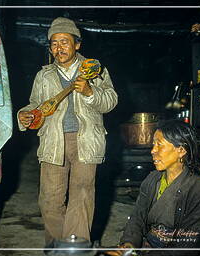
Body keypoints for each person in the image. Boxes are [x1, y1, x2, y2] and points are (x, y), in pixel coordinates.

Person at [17, 17, 118, 247]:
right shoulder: (44, 75)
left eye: (64, 42)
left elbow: (111, 101)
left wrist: (90, 91)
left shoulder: (94, 70)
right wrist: (25, 115)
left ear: (77, 44)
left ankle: (76, 248)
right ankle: (56, 247)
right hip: (53, 141)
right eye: (53, 43)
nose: (58, 48)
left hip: (86, 141)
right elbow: (35, 104)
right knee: (49, 201)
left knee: (81, 198)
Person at [106, 119, 200, 256]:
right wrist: (129, 245)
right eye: (153, 145)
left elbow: (187, 245)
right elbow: (137, 219)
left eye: (159, 145)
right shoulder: (152, 180)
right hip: (148, 245)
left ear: (181, 150)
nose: (153, 150)